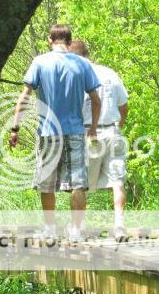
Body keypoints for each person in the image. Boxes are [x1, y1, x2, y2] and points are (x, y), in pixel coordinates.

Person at [9, 25, 101, 241]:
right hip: (75, 131)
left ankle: (50, 229)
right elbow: (96, 100)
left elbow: (24, 98)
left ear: (50, 39)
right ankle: (76, 232)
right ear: (69, 40)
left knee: (47, 183)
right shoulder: (82, 64)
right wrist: (93, 127)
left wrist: (15, 128)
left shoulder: (40, 62)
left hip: (48, 132)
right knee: (78, 182)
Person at [69, 40, 129, 239]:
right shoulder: (109, 73)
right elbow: (124, 106)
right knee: (117, 181)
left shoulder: (74, 77)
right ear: (88, 53)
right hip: (112, 131)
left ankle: (78, 228)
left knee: (79, 184)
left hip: (86, 133)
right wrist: (118, 127)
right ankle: (119, 226)